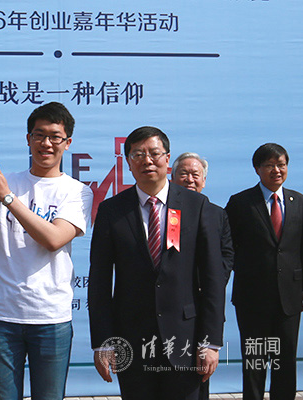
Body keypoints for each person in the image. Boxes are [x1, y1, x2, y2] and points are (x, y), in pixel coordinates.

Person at [0, 102, 92, 399]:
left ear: (67, 143)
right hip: (1, 316)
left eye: (55, 137)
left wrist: (7, 198)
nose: (46, 143)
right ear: (28, 139)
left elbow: (54, 239)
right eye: (39, 135)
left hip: (50, 318)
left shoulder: (77, 191)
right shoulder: (12, 181)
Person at [88, 127, 226, 400]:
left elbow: (212, 277)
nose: (147, 161)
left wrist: (211, 341)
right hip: (132, 339)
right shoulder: (111, 210)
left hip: (186, 339)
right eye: (138, 154)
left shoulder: (196, 205)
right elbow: (100, 281)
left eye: (154, 153)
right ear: (128, 162)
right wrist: (103, 342)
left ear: (167, 158)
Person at [225, 143, 302, 400]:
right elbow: (228, 247)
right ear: (257, 169)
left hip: (289, 298)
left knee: (285, 362)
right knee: (255, 362)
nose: (276, 170)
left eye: (281, 165)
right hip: (252, 299)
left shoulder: (299, 202)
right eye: (269, 165)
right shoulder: (241, 203)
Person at [172, 152, 234, 400]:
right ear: (172, 177)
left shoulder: (217, 213)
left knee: (198, 378)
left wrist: (210, 282)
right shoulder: (167, 212)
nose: (190, 179)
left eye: (195, 174)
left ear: (204, 180)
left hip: (204, 306)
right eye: (183, 174)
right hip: (173, 305)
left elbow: (227, 255)